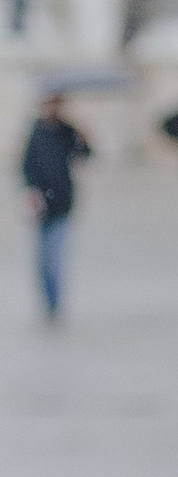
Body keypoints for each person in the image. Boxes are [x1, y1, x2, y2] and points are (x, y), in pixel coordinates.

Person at [20, 91, 90, 323]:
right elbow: (26, 166)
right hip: (41, 205)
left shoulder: (68, 131)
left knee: (57, 257)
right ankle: (47, 298)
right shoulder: (35, 133)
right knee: (43, 259)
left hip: (62, 202)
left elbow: (85, 156)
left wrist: (84, 138)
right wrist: (31, 192)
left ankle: (55, 302)